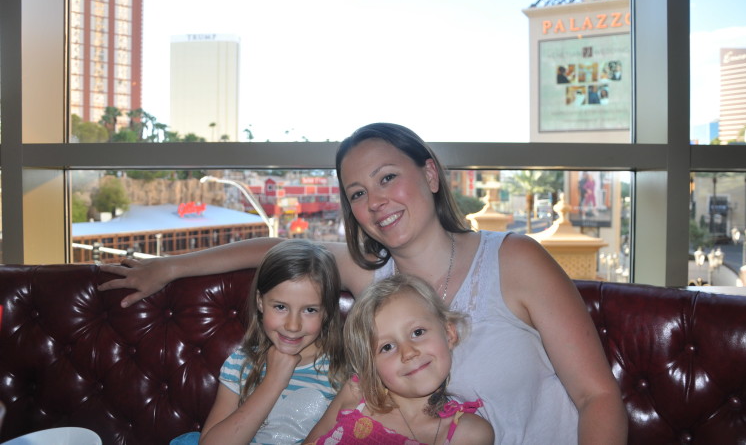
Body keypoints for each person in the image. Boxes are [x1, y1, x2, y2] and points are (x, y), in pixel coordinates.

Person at [100, 122, 628, 444]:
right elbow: (277, 250)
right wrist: (169, 267)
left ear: (429, 174)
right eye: (356, 193)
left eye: (386, 178)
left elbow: (597, 396)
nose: (374, 202)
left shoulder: (514, 260)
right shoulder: (373, 274)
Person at [171, 239, 347, 445]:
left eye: (310, 310)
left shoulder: (343, 372)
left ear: (327, 312)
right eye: (281, 307)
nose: (293, 325)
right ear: (260, 302)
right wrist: (273, 382)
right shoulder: (240, 364)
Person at [305, 273, 493, 444]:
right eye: (387, 347)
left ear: (449, 333)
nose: (408, 352)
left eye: (417, 332)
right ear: (371, 365)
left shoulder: (469, 433)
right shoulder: (356, 393)